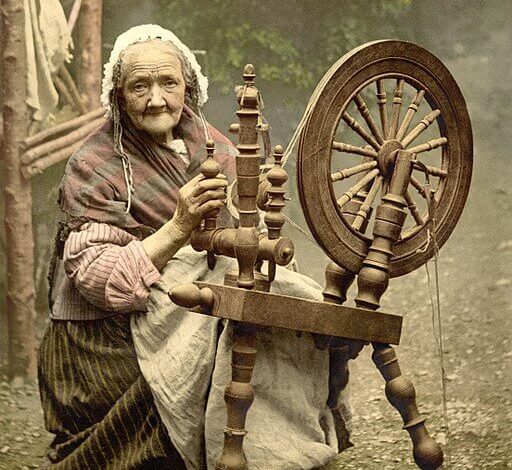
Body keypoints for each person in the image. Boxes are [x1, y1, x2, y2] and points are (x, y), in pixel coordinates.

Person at [38, 24, 237, 469]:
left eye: (168, 83)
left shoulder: (218, 150)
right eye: (139, 86)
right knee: (197, 363)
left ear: (189, 87)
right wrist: (180, 225)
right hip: (102, 337)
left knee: (269, 323)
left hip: (187, 307)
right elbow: (96, 279)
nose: (156, 100)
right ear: (118, 97)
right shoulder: (95, 163)